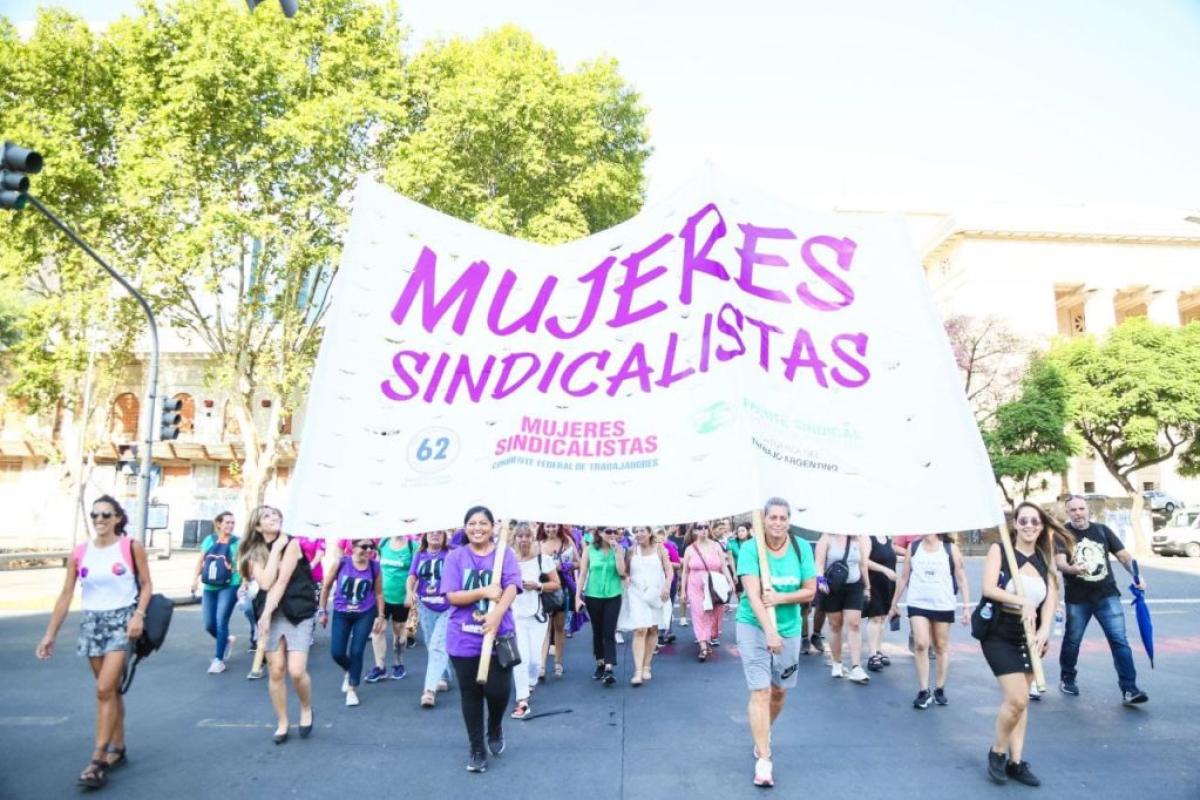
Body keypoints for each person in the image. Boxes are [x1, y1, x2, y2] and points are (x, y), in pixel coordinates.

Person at [37, 495, 152, 790]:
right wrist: (50, 634)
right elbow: (66, 594)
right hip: (92, 622)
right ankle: (119, 747)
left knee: (103, 689)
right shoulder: (80, 552)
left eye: (106, 515)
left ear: (117, 518)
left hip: (122, 622)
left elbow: (147, 584)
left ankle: (97, 759)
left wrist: (138, 614)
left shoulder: (130, 546)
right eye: (95, 515)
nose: (99, 520)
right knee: (110, 691)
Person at [980, 502, 1064, 786]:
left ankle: (1016, 761)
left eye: (1035, 522)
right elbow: (989, 589)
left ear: (1041, 527)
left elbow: (1052, 596)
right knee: (1016, 699)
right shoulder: (1000, 550)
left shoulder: (1045, 555)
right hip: (999, 632)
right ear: (1015, 523)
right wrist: (1022, 601)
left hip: (1030, 635)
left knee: (1022, 703)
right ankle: (997, 753)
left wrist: (1045, 629)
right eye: (1024, 521)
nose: (1029, 526)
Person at [737, 497, 817, 788]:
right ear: (764, 519)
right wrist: (769, 630)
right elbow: (754, 594)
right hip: (753, 624)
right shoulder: (750, 548)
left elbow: (809, 591)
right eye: (773, 518)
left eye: (783, 518)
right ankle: (764, 758)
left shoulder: (801, 548)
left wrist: (782, 598)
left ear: (789, 521)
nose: (778, 523)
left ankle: (762, 732)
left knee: (779, 692)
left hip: (790, 627)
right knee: (759, 690)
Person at [443, 506, 521, 773]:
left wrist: (497, 614)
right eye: (472, 523)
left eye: (483, 523)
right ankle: (476, 748)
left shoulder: (504, 554)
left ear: (492, 527)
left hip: (498, 636)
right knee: (471, 694)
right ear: (465, 528)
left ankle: (495, 725)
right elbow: (452, 595)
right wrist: (482, 592)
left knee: (498, 693)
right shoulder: (455, 557)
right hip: (463, 638)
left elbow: (512, 585)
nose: (478, 528)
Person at [1057, 495, 1149, 705]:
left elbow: (1124, 556)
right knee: (1072, 640)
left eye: (1081, 508)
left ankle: (1130, 689)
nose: (1078, 513)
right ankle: (1067, 678)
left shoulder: (1102, 530)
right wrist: (1072, 569)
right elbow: (1060, 562)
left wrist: (1137, 576)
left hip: (1107, 595)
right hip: (1077, 598)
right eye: (1073, 510)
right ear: (1067, 512)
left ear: (1088, 509)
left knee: (1120, 642)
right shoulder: (1062, 534)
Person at [239, 506, 317, 744]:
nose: (274, 519)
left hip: (298, 611)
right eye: (267, 516)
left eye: (276, 515)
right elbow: (265, 582)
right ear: (257, 526)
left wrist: (266, 613)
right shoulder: (254, 551)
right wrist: (275, 550)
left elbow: (282, 581)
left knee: (296, 670)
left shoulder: (292, 544)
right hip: (271, 614)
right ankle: (282, 721)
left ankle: (306, 708)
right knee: (275, 670)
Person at [889, 534, 970, 708]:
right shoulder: (914, 547)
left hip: (943, 603)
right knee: (921, 643)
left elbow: (961, 578)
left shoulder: (950, 549)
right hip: (918, 602)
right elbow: (904, 576)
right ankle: (923, 690)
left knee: (940, 646)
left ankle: (939, 688)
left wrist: (966, 607)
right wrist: (894, 603)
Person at [318, 538, 385, 706]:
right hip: (342, 612)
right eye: (364, 546)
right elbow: (326, 587)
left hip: (365, 613)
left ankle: (352, 688)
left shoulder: (374, 567)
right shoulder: (341, 563)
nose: (368, 550)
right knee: (337, 652)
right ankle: (350, 669)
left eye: (371, 546)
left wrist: (381, 616)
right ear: (353, 547)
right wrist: (322, 610)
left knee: (357, 651)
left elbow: (378, 593)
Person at [510, 523, 560, 718]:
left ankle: (530, 682)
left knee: (535, 660)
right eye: (520, 536)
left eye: (527, 536)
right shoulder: (508, 560)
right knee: (521, 657)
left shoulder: (543, 560)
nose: (523, 540)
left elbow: (556, 584)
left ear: (533, 538)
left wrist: (538, 585)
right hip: (516, 615)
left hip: (537, 615)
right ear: (515, 539)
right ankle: (522, 700)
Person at [617, 525, 673, 684]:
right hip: (636, 593)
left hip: (656, 593)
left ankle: (647, 665)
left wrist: (667, 586)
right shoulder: (631, 550)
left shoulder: (660, 548)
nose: (639, 534)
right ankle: (638, 671)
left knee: (653, 628)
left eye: (642, 531)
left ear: (649, 533)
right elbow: (625, 571)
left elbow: (669, 570)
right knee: (640, 629)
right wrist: (625, 578)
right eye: (636, 531)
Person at [814, 532, 872, 683]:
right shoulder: (827, 537)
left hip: (854, 585)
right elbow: (819, 563)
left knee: (854, 624)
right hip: (832, 586)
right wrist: (820, 580)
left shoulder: (859, 537)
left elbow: (863, 564)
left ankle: (856, 667)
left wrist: (867, 587)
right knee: (835, 624)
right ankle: (837, 662)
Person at [407, 529, 453, 707]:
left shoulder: (451, 553)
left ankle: (429, 690)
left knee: (437, 645)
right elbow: (412, 576)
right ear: (425, 536)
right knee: (430, 642)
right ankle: (444, 675)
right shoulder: (419, 554)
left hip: (447, 606)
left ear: (444, 536)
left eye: (439, 533)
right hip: (425, 606)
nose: (435, 535)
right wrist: (409, 591)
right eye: (432, 532)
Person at [576, 526, 628, 685]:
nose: (612, 534)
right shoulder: (589, 549)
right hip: (593, 594)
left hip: (613, 594)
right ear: (599, 533)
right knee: (597, 631)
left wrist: (618, 553)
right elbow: (583, 573)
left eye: (614, 532)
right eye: (608, 531)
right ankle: (600, 661)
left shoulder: (619, 549)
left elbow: (621, 573)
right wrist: (577, 596)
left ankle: (609, 667)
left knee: (609, 630)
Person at [680, 521, 738, 659]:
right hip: (696, 586)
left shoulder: (716, 546)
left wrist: (730, 581)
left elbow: (723, 566)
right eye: (700, 528)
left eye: (706, 527)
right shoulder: (690, 549)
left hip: (714, 585)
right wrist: (682, 590)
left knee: (715, 613)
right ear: (694, 531)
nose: (703, 530)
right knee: (699, 613)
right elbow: (685, 572)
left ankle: (709, 636)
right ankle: (703, 646)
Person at [191, 510, 240, 674]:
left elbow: (243, 564)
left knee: (221, 621)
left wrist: (244, 582)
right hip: (210, 586)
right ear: (218, 524)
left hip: (230, 585)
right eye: (227, 522)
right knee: (208, 624)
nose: (230, 525)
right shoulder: (209, 540)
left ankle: (218, 660)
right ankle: (225, 641)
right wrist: (194, 580)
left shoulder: (237, 542)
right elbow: (201, 560)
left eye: (233, 523)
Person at [365, 534, 415, 683]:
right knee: (377, 629)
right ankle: (380, 667)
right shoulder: (383, 543)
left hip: (401, 598)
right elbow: (377, 567)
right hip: (382, 597)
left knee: (399, 633)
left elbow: (415, 574)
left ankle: (398, 664)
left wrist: (411, 594)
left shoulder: (413, 546)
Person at [538, 521, 578, 678]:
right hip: (543, 587)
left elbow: (578, 562)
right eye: (547, 526)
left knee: (559, 626)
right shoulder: (538, 543)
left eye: (553, 525)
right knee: (544, 627)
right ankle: (541, 665)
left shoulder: (567, 541)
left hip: (562, 587)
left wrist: (563, 566)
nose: (550, 529)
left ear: (559, 527)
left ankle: (558, 663)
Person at [862, 534, 896, 672]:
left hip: (887, 584)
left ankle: (878, 650)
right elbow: (864, 561)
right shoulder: (868, 537)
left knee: (882, 618)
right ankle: (872, 654)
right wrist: (884, 570)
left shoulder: (887, 538)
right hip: (874, 582)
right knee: (875, 617)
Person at [653, 527, 679, 646]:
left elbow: (678, 564)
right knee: (655, 607)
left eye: (662, 535)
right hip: (654, 582)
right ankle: (658, 633)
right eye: (657, 535)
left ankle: (665, 633)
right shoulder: (649, 548)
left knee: (667, 607)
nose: (660, 538)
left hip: (669, 582)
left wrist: (665, 563)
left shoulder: (669, 546)